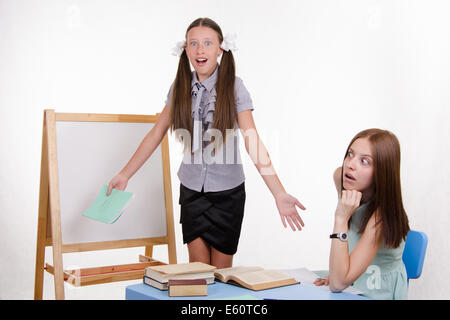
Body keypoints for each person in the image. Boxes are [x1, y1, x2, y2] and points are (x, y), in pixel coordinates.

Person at [107, 17, 306, 268]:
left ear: (220, 49)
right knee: (199, 274)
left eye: (207, 43)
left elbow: (252, 140)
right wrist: (125, 174)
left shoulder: (234, 86)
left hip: (228, 195)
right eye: (193, 44)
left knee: (220, 277)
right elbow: (156, 134)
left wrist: (278, 192)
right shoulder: (179, 86)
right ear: (186, 49)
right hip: (191, 192)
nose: (200, 50)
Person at [314, 128, 410, 299]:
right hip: (351, 278)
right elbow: (339, 278)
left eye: (364, 161)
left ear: (382, 172)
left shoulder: (380, 218)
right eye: (350, 154)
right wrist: (338, 273)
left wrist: (341, 218)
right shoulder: (342, 178)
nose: (350, 164)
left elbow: (337, 284)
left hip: (376, 288)